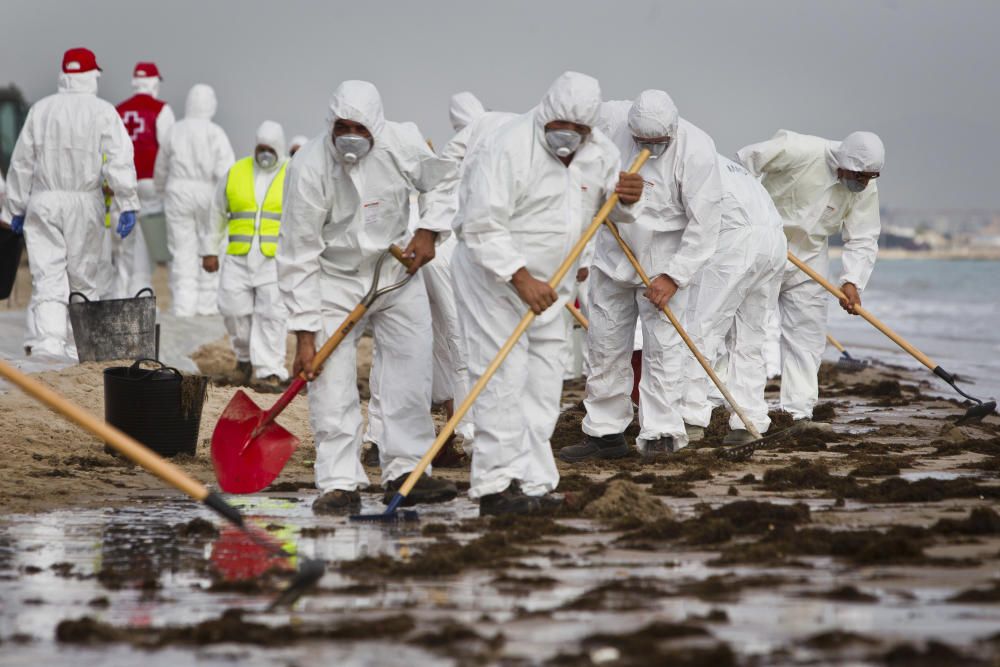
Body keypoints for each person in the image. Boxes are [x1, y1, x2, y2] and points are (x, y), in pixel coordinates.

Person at [453, 71, 643, 515]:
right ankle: (495, 489)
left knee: (542, 383)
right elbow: (480, 226)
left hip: (550, 287)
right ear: (544, 113)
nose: (568, 136)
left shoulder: (600, 153)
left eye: (578, 129)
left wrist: (630, 198)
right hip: (494, 280)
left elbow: (609, 212)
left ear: (591, 128)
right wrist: (519, 278)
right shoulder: (506, 147)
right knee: (502, 380)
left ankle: (535, 482)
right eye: (560, 125)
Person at [277, 80, 458, 515]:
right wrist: (305, 336)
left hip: (396, 269)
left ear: (377, 126)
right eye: (342, 126)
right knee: (331, 382)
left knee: (409, 374)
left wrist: (429, 230)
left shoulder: (403, 142)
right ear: (330, 124)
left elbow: (444, 182)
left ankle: (407, 471)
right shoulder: (309, 167)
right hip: (334, 280)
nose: (351, 136)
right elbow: (298, 254)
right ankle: (340, 481)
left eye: (360, 127)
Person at [558, 89, 722, 462]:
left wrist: (675, 276)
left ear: (673, 131)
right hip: (614, 249)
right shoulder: (610, 120)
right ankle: (604, 433)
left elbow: (705, 224)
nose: (649, 147)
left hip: (666, 258)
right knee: (604, 345)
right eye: (642, 141)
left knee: (664, 348)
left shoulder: (697, 150)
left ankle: (661, 432)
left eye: (657, 142)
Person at [737, 130, 884, 427]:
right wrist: (748, 213)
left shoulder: (864, 186)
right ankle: (737, 406)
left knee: (807, 337)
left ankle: (797, 411)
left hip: (812, 255)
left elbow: (863, 235)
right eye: (859, 176)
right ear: (842, 163)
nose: (863, 183)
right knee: (748, 329)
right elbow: (745, 161)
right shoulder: (797, 149)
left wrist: (851, 280)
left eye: (870, 177)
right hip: (765, 245)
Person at [2, 47, 139, 359]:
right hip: (84, 203)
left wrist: (15, 208)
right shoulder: (103, 111)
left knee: (47, 274)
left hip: (44, 201)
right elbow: (119, 160)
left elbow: (22, 162)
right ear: (93, 74)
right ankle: (80, 345)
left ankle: (48, 343)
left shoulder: (41, 109)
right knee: (85, 276)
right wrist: (127, 201)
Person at [679, 156, 787, 444]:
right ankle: (748, 421)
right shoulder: (728, 166)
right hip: (774, 242)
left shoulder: (688, 162)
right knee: (750, 339)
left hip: (735, 244)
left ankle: (690, 419)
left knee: (701, 330)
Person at [203, 121, 290, 390]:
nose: (264, 154)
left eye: (270, 149)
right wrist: (209, 250)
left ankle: (269, 372)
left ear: (280, 148)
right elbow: (217, 211)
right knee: (232, 310)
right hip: (238, 256)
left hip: (274, 258)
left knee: (272, 315)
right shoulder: (237, 171)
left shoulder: (293, 173)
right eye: (260, 148)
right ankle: (244, 359)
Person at [154, 84, 234, 316]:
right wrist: (227, 202)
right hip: (208, 192)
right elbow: (226, 170)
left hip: (177, 191)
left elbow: (161, 167)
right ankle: (207, 304)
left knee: (182, 249)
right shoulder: (215, 133)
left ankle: (184, 304)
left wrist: (162, 191)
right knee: (211, 244)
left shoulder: (175, 131)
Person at [107, 61, 175, 299]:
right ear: (155, 81)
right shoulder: (161, 110)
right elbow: (168, 150)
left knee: (124, 246)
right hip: (150, 183)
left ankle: (120, 294)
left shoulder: (117, 110)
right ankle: (140, 290)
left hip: (121, 183)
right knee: (147, 244)